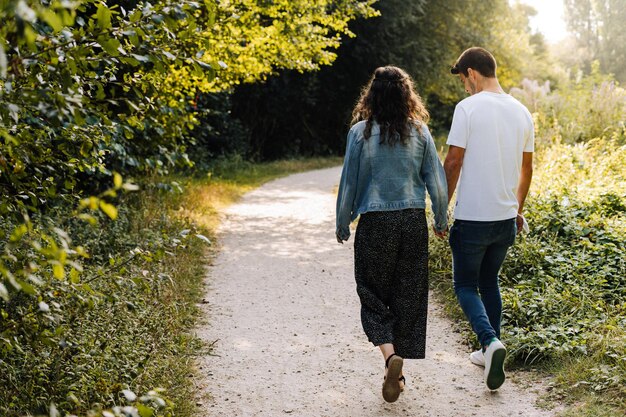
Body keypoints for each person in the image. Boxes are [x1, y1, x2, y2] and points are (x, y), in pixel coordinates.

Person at [336, 66, 448, 403]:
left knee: (371, 293)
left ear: (372, 96)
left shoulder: (359, 133)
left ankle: (390, 358)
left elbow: (350, 183)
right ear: (406, 95)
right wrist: (441, 219)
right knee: (408, 296)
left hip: (376, 224)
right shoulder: (421, 132)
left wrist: (343, 221)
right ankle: (395, 372)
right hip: (413, 222)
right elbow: (437, 183)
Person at [443, 47, 534, 391]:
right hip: (504, 219)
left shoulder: (467, 108)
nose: (464, 88)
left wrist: (441, 208)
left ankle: (489, 341)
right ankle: (487, 351)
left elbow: (453, 162)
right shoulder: (522, 111)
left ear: (473, 73)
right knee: (490, 280)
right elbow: (527, 169)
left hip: (473, 218)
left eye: (464, 81)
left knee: (465, 286)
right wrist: (517, 210)